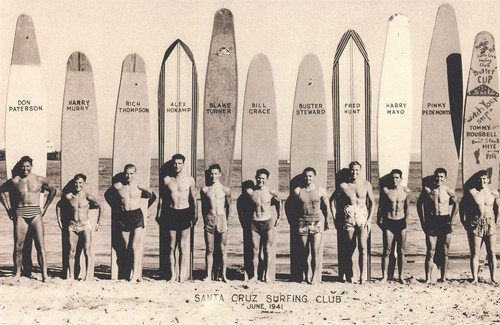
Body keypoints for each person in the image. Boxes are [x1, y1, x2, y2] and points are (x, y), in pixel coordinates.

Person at [0, 156, 56, 282]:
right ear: (20, 167)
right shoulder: (15, 181)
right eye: (23, 166)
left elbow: (53, 190)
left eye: (28, 166)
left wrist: (45, 208)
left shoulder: (39, 179)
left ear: (31, 166)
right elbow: (1, 191)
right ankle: (18, 273)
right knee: (18, 246)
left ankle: (45, 275)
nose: (25, 168)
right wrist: (8, 209)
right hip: (20, 213)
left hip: (36, 213)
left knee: (40, 245)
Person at [105, 164, 156, 282]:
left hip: (136, 216)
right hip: (123, 217)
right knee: (125, 246)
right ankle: (127, 272)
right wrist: (115, 207)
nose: (129, 176)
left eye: (131, 173)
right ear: (124, 173)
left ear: (135, 174)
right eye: (127, 173)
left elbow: (153, 195)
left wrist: (146, 207)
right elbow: (107, 195)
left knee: (134, 247)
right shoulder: (118, 186)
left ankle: (135, 275)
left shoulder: (139, 186)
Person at [155, 154, 197, 283]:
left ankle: (181, 276)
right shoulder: (167, 180)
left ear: (183, 165)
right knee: (172, 246)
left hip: (184, 213)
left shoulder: (190, 180)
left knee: (183, 247)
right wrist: (158, 213)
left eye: (179, 163)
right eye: (175, 163)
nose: (177, 166)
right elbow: (162, 198)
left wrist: (195, 214)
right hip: (171, 213)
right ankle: (173, 275)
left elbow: (194, 199)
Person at [332, 161, 375, 284]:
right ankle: (352, 275)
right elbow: (331, 200)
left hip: (362, 215)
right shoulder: (344, 186)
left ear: (360, 171)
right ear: (350, 170)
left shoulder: (366, 185)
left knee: (362, 246)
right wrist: (335, 217)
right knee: (350, 247)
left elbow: (372, 203)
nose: (354, 172)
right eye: (352, 170)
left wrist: (370, 220)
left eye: (357, 170)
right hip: (349, 215)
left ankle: (363, 276)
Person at [56, 174, 101, 281]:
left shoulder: (88, 197)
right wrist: (59, 220)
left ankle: (87, 276)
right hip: (73, 225)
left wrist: (98, 222)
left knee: (87, 250)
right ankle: (71, 276)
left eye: (80, 183)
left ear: (83, 183)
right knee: (71, 251)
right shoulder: (69, 196)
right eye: (76, 183)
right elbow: (58, 205)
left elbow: (100, 207)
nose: (78, 185)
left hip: (85, 225)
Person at [239, 169, 280, 283]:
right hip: (254, 222)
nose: (260, 180)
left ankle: (267, 275)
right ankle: (255, 276)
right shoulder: (251, 192)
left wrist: (280, 216)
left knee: (267, 250)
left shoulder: (271, 192)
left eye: (263, 178)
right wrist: (241, 219)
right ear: (256, 177)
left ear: (267, 179)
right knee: (255, 250)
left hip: (267, 222)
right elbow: (240, 203)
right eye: (259, 178)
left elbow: (279, 202)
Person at [417, 167, 458, 283]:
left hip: (444, 220)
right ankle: (428, 278)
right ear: (434, 177)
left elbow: (456, 204)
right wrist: (422, 220)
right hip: (431, 220)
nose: (439, 178)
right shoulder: (428, 190)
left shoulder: (449, 191)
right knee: (430, 250)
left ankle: (443, 278)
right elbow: (419, 205)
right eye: (437, 176)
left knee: (445, 251)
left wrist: (452, 219)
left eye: (441, 177)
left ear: (445, 178)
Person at [294, 167, 330, 284]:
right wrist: (292, 220)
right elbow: (290, 205)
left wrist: (328, 220)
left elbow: (327, 206)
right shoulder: (298, 190)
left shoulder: (320, 190)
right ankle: (306, 276)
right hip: (303, 221)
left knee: (315, 250)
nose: (308, 178)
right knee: (304, 251)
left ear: (314, 177)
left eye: (310, 176)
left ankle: (315, 276)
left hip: (316, 221)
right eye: (306, 176)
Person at [460, 170, 498, 284]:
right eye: (480, 179)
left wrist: (496, 222)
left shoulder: (494, 193)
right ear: (477, 180)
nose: (483, 181)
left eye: (484, 178)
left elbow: (497, 209)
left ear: (488, 179)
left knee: (491, 251)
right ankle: (475, 278)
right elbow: (462, 206)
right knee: (475, 252)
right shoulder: (472, 192)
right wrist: (463, 221)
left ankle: (493, 278)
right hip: (476, 223)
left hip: (489, 223)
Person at [377, 169, 410, 283]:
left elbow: (407, 207)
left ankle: (401, 276)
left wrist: (406, 221)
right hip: (389, 221)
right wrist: (378, 220)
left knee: (401, 251)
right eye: (393, 177)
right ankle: (385, 276)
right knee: (387, 250)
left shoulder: (406, 191)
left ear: (401, 179)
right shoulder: (386, 191)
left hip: (401, 222)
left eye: (397, 177)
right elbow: (381, 207)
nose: (394, 180)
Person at [200, 164, 231, 282]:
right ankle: (208, 275)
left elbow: (229, 206)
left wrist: (225, 219)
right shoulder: (205, 190)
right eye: (211, 174)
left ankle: (223, 275)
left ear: (220, 175)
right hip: (209, 219)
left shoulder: (225, 189)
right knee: (209, 248)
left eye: (216, 174)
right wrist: (205, 219)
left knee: (222, 249)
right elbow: (203, 207)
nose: (213, 176)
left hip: (222, 219)